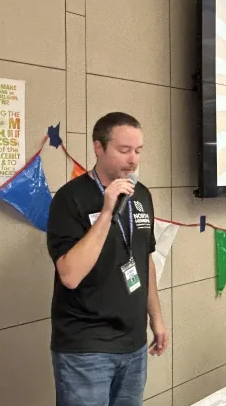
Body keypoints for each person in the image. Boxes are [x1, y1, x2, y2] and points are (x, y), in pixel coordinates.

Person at [46, 112, 167, 406]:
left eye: (138, 150)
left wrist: (157, 319)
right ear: (98, 147)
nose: (133, 160)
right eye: (124, 150)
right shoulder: (70, 198)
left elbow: (144, 259)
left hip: (133, 343)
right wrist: (106, 212)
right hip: (86, 347)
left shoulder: (142, 196)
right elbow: (70, 275)